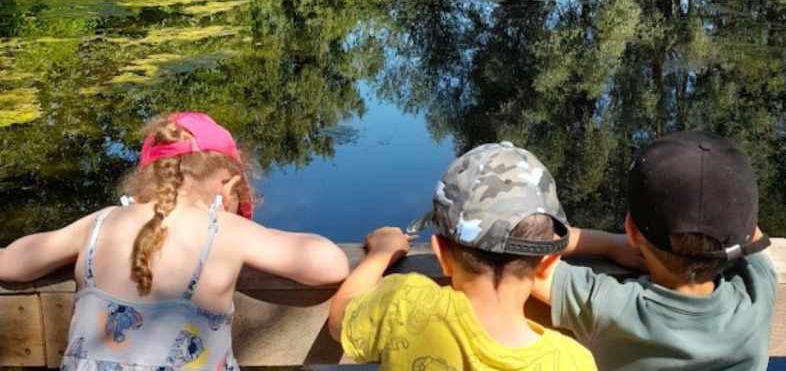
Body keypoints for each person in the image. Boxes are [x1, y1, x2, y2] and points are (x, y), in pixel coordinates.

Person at [0, 112, 350, 371]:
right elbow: (329, 264)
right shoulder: (225, 231)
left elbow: (11, 263)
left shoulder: (97, 224)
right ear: (227, 185)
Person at [328, 141, 598, 370]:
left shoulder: (404, 302)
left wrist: (382, 251)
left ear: (441, 253)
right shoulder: (574, 362)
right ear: (548, 262)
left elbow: (339, 320)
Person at [530, 131, 778, 371]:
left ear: (631, 230)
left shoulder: (611, 308)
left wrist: (610, 245)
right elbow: (749, 230)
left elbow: (529, 253)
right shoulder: (758, 293)